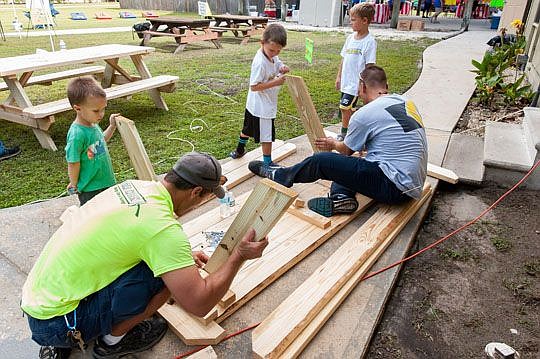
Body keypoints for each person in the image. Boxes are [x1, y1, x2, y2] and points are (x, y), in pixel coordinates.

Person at [21, 152, 269, 359]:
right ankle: (111, 343)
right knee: (162, 280)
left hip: (38, 302)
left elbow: (129, 238)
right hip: (59, 324)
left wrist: (178, 260)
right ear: (195, 192)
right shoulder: (162, 229)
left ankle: (78, 334)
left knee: (161, 267)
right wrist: (239, 256)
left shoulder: (135, 187)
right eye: (204, 198)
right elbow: (199, 304)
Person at [249, 66, 428, 217]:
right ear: (386, 87)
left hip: (394, 187)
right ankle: (342, 198)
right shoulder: (405, 102)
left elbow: (345, 151)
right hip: (412, 185)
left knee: (323, 161)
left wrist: (332, 144)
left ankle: (281, 176)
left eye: (359, 90)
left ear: (363, 87)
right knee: (343, 168)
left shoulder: (365, 113)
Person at [229, 23, 290, 167]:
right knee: (266, 136)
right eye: (272, 50)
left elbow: (277, 63)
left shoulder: (271, 55)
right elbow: (254, 86)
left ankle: (239, 150)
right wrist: (275, 82)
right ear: (262, 43)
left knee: (247, 128)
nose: (274, 53)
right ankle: (268, 163)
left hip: (255, 104)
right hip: (262, 106)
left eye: (278, 51)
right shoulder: (260, 63)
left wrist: (282, 67)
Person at [65, 77, 118, 206]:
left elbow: (101, 142)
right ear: (77, 108)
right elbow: (73, 162)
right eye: (96, 111)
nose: (101, 114)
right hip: (90, 188)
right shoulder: (77, 134)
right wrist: (73, 183)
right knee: (93, 216)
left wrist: (111, 127)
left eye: (103, 109)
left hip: (106, 181)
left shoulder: (93, 124)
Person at [335, 3, 377, 142]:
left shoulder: (369, 42)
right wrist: (339, 77)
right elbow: (343, 58)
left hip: (355, 84)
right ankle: (356, 129)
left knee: (344, 107)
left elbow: (370, 65)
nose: (350, 22)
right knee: (350, 109)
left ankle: (344, 133)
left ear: (365, 21)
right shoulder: (350, 38)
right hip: (346, 82)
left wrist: (365, 85)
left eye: (353, 20)